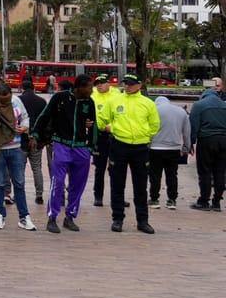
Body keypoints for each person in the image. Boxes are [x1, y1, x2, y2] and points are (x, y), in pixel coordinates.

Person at [30, 74, 96, 233]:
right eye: (89, 87)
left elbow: (93, 124)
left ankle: (70, 217)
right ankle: (52, 218)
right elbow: (44, 116)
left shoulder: (89, 102)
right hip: (61, 144)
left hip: (81, 148)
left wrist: (92, 147)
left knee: (78, 185)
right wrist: (35, 135)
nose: (91, 90)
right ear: (80, 87)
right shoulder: (60, 98)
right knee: (58, 182)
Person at [98, 73, 160, 233]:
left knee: (141, 187)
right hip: (119, 146)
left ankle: (143, 221)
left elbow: (155, 124)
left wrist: (145, 135)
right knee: (117, 184)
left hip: (140, 148)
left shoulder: (147, 103)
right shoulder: (115, 101)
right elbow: (101, 119)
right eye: (125, 83)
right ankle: (117, 219)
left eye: (131, 84)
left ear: (139, 85)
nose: (127, 86)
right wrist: (107, 128)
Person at [0, 82, 36, 231]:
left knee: (19, 183)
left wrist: (24, 127)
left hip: (16, 148)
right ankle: (0, 215)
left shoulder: (17, 101)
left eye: (8, 97)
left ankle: (24, 217)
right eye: (3, 98)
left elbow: (25, 117)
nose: (6, 100)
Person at [146, 96, 189, 211]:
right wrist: (186, 148)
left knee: (155, 175)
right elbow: (186, 132)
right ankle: (172, 200)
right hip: (174, 149)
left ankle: (154, 199)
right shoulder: (181, 111)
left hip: (155, 148)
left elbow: (147, 129)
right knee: (172, 175)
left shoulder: (153, 110)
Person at [188, 87, 226, 211]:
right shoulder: (224, 105)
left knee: (205, 171)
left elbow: (193, 125)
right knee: (220, 172)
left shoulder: (199, 105)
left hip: (206, 140)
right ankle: (217, 202)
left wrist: (191, 143)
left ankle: (204, 201)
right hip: (223, 141)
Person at [18, 79, 47, 205]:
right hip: (37, 140)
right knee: (37, 168)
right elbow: (45, 122)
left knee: (20, 168)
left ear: (22, 89)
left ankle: (20, 193)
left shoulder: (18, 100)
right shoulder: (42, 101)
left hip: (21, 139)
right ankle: (39, 194)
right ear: (34, 89)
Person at [90, 74, 118, 206]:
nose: (99, 85)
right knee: (99, 168)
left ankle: (118, 197)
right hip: (99, 135)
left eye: (102, 83)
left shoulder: (117, 95)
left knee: (116, 168)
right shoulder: (92, 95)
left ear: (109, 83)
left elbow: (123, 116)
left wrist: (112, 127)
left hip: (115, 135)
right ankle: (98, 196)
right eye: (97, 83)